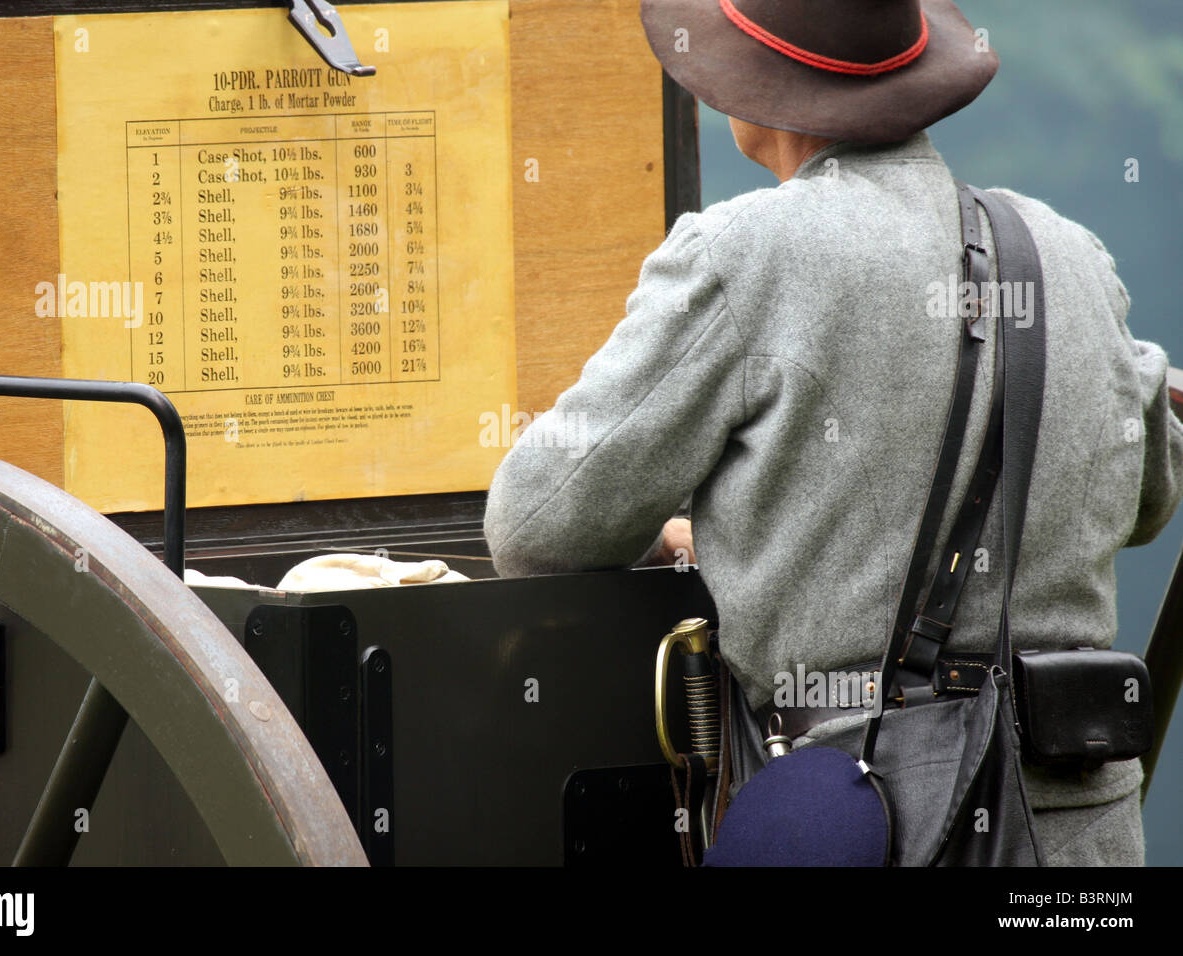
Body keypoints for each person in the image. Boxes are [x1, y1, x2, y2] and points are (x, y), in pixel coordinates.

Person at [482, 0, 1183, 864]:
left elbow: (534, 523)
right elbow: (1150, 497)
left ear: (757, 88)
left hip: (874, 823)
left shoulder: (745, 254)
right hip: (1087, 845)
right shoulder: (1071, 253)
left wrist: (694, 537)